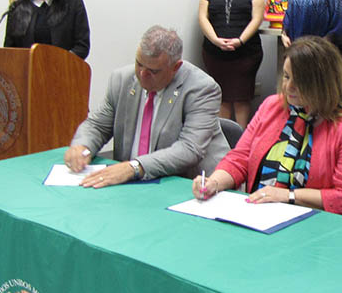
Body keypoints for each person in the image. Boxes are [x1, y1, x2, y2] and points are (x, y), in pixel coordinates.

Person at [194, 36, 342, 223]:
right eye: (286, 76)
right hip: (265, 218)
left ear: (323, 83)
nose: (288, 87)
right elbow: (240, 158)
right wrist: (214, 183)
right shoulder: (272, 106)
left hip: (327, 227)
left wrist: (288, 196)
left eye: (299, 81)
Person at [65, 26, 228, 186]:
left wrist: (135, 167)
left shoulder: (202, 88)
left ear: (175, 67)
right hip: (135, 183)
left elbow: (189, 149)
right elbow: (98, 126)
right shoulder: (121, 79)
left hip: (190, 184)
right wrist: (82, 146)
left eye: (153, 71)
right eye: (139, 64)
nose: (142, 75)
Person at [198, 0, 266, 129]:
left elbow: (257, 18)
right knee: (222, 97)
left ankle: (242, 138)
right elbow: (203, 17)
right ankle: (226, 140)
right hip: (215, 53)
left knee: (241, 97)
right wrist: (215, 40)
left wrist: (240, 40)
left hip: (245, 54)